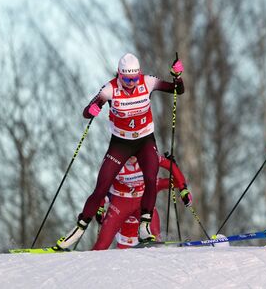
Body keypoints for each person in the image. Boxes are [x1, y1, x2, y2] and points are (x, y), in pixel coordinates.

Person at [57, 52, 185, 249]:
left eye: (134, 78)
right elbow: (87, 110)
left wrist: (177, 75)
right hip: (121, 144)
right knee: (101, 187)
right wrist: (92, 109)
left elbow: (178, 90)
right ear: (119, 75)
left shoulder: (148, 82)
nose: (131, 83)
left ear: (139, 74)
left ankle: (145, 225)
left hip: (144, 141)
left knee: (150, 178)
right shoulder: (110, 89)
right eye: (126, 78)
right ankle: (78, 229)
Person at [93, 154, 192, 250]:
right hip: (123, 238)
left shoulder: (152, 177)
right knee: (102, 245)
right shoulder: (116, 165)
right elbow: (103, 194)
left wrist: (175, 170)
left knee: (152, 223)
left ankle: (157, 244)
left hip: (142, 213)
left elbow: (174, 181)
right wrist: (100, 209)